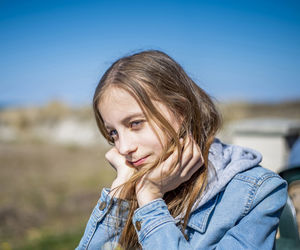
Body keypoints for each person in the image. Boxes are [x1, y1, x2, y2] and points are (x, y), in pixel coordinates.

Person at [76, 50, 287, 249]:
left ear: (181, 110)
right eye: (113, 132)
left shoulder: (258, 193)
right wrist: (120, 195)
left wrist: (150, 200)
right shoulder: (132, 182)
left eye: (135, 123)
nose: (123, 148)